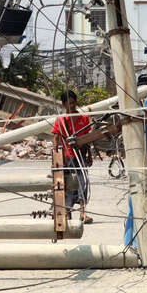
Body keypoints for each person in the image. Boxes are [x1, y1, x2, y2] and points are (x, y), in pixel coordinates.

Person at [52, 90, 92, 220]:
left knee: (83, 182)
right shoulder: (61, 120)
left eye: (74, 103)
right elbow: (56, 139)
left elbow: (87, 137)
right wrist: (56, 158)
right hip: (66, 156)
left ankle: (82, 212)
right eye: (69, 104)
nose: (72, 106)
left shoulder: (83, 118)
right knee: (68, 184)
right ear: (64, 105)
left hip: (80, 155)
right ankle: (67, 212)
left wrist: (89, 155)